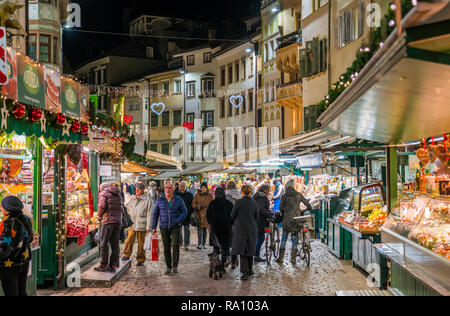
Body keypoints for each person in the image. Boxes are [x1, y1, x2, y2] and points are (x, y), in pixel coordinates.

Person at [0, 196, 33, 297]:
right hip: (23, 261)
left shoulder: (9, 223)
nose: (1, 208)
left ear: (7, 209)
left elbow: (4, 247)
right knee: (22, 292)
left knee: (11, 293)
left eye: (2, 206)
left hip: (9, 264)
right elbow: (30, 238)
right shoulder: (25, 219)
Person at [152, 182, 187, 274]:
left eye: (170, 188)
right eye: (166, 188)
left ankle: (175, 266)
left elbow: (184, 211)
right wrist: (153, 226)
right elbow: (155, 214)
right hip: (163, 227)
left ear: (173, 189)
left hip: (175, 226)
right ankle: (168, 267)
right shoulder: (160, 200)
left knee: (175, 246)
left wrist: (178, 220)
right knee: (166, 248)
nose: (168, 189)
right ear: (164, 189)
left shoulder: (178, 199)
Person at [276, 180, 312, 264]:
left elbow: (281, 208)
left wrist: (285, 213)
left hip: (287, 220)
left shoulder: (284, 196)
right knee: (294, 239)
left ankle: (280, 258)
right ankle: (293, 259)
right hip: (296, 219)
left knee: (284, 239)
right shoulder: (298, 195)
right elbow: (308, 205)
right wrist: (303, 211)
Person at [231, 185, 258, 280]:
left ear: (242, 192)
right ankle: (250, 270)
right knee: (250, 250)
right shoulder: (254, 203)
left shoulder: (238, 202)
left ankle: (245, 272)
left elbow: (233, 215)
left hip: (241, 229)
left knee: (242, 250)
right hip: (252, 229)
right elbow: (256, 217)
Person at [122, 183, 154, 266]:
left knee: (141, 243)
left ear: (143, 190)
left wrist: (148, 227)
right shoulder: (132, 198)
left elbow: (150, 215)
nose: (137, 191)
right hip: (132, 223)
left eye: (139, 189)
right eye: (136, 189)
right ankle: (126, 255)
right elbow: (127, 208)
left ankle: (140, 259)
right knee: (129, 240)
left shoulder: (148, 200)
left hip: (142, 224)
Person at [95, 183, 123, 273]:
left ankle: (103, 265)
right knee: (115, 244)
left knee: (103, 243)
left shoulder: (104, 193)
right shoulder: (118, 194)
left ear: (102, 188)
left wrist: (99, 215)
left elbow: (102, 206)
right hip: (118, 221)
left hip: (108, 221)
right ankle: (113, 264)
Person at [206, 187, 233, 273]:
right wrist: (230, 224)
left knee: (216, 248)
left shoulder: (212, 203)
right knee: (225, 249)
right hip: (226, 229)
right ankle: (222, 267)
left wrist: (211, 223)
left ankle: (216, 265)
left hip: (215, 229)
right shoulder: (229, 204)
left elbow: (208, 215)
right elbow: (233, 216)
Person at [252, 184, 272, 262]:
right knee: (261, 238)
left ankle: (254, 254)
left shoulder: (255, 195)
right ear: (265, 190)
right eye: (268, 190)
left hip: (254, 218)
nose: (268, 192)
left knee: (257, 237)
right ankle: (256, 255)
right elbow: (261, 209)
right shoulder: (263, 197)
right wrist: (269, 214)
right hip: (259, 220)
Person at [225, 180, 241, 269]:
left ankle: (227, 258)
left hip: (227, 222)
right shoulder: (240, 196)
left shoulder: (225, 196)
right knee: (235, 242)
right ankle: (234, 262)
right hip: (237, 222)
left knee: (227, 241)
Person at [192, 182, 213, 250]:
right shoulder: (197, 195)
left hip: (207, 215)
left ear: (206, 188)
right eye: (202, 187)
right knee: (199, 230)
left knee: (205, 230)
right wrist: (198, 206)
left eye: (204, 187)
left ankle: (204, 244)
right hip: (199, 215)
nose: (203, 189)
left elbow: (212, 205)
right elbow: (193, 204)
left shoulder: (210, 196)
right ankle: (199, 244)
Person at [176, 181, 194, 251]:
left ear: (186, 187)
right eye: (181, 187)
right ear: (179, 187)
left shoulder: (189, 195)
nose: (182, 188)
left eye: (183, 187)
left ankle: (186, 244)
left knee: (187, 230)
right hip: (178, 215)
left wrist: (189, 213)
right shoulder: (176, 194)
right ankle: (180, 242)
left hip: (187, 215)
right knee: (179, 230)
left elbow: (192, 205)